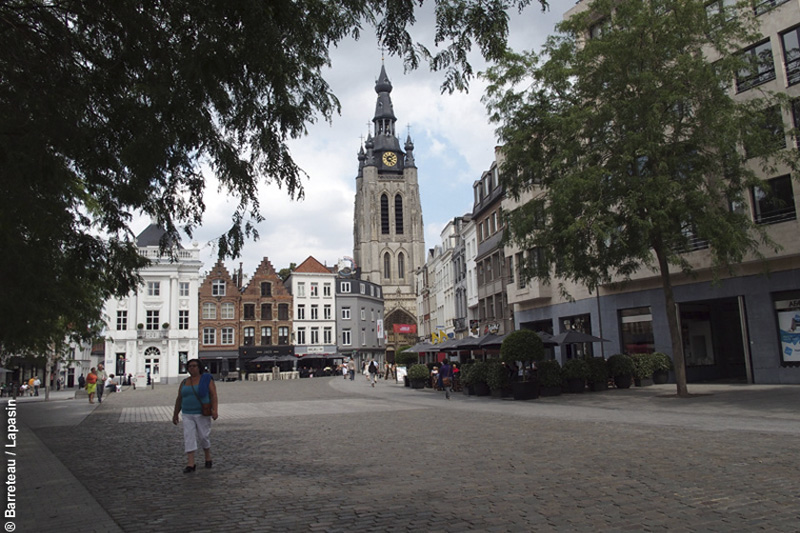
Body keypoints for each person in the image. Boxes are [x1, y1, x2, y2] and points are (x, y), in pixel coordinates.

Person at [172, 359, 218, 473]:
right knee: (189, 437)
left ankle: (207, 455)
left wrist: (215, 410)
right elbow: (179, 398)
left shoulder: (206, 380)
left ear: (199, 367)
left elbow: (213, 395)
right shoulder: (184, 382)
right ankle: (191, 463)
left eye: (194, 366)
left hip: (202, 413)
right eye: (190, 366)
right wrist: (175, 413)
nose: (192, 368)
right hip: (187, 413)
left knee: (203, 436)